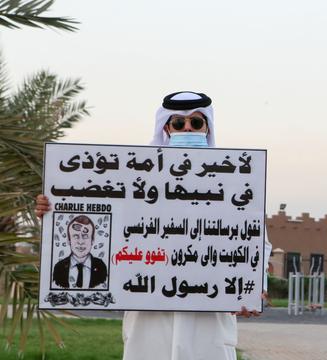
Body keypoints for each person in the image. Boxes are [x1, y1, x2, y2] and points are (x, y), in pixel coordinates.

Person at [36, 91, 271, 360]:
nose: (187, 129)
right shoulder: (134, 180)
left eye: (196, 123)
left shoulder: (236, 182)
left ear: (207, 128)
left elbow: (256, 243)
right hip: (147, 313)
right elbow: (102, 223)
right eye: (178, 123)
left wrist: (253, 288)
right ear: (166, 129)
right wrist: (53, 210)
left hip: (209, 316)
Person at [52, 214, 107, 289]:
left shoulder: (101, 267)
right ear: (69, 240)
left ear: (92, 240)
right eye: (75, 236)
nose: (80, 242)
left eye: (85, 236)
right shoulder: (59, 268)